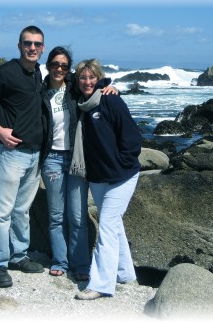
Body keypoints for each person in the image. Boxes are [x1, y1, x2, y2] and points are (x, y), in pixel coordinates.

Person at [0, 25, 47, 288]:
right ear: (19, 46)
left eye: (37, 44)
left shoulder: (39, 73)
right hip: (10, 153)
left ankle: (19, 256)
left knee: (21, 211)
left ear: (43, 48)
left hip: (34, 155)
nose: (32, 48)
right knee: (0, 212)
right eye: (27, 43)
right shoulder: (6, 73)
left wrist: (107, 87)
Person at [41, 47, 117, 281]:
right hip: (51, 158)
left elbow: (92, 79)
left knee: (77, 216)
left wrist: (110, 86)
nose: (59, 69)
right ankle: (60, 261)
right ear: (48, 65)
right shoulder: (41, 91)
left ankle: (81, 264)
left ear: (68, 68)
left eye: (64, 66)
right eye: (55, 64)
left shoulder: (73, 88)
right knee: (55, 216)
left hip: (76, 159)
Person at [71, 59, 142, 300]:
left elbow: (132, 137)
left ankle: (100, 285)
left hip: (122, 176)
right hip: (98, 177)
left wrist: (121, 162)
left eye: (92, 77)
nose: (87, 82)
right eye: (82, 77)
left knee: (108, 226)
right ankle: (126, 274)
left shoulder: (111, 99)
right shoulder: (80, 102)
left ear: (99, 78)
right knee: (114, 226)